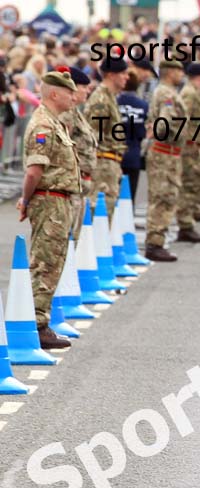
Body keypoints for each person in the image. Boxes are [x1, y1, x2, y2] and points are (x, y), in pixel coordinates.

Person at [16, 68, 80, 349]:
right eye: (69, 92)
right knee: (45, 263)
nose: (74, 97)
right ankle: (35, 324)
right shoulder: (43, 124)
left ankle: (40, 320)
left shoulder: (54, 122)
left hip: (58, 199)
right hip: (49, 199)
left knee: (53, 263)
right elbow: (34, 171)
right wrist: (26, 201)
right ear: (54, 93)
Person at [144, 59, 192, 262]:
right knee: (162, 197)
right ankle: (155, 243)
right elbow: (165, 122)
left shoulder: (167, 92)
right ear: (170, 72)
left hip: (169, 152)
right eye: (179, 70)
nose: (182, 74)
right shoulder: (166, 93)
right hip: (164, 151)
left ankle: (157, 241)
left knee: (168, 195)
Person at [84, 53, 128, 218]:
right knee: (99, 212)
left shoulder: (110, 97)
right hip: (102, 162)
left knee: (106, 211)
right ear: (111, 74)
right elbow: (94, 135)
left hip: (109, 161)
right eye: (123, 73)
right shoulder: (101, 99)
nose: (126, 77)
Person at [178, 62, 200, 236]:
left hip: (195, 146)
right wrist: (188, 142)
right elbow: (183, 120)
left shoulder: (195, 93)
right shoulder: (189, 94)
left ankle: (189, 219)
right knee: (189, 185)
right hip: (190, 147)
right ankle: (185, 224)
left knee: (195, 183)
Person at [60, 66, 97, 237]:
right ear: (73, 89)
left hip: (80, 185)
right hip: (71, 183)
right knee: (66, 239)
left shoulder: (76, 113)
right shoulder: (67, 114)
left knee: (73, 237)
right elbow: (61, 149)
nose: (87, 91)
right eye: (84, 87)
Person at [117, 69, 149, 209]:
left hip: (114, 154)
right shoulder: (142, 105)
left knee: (113, 195)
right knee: (130, 195)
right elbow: (144, 130)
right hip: (134, 152)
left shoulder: (114, 102)